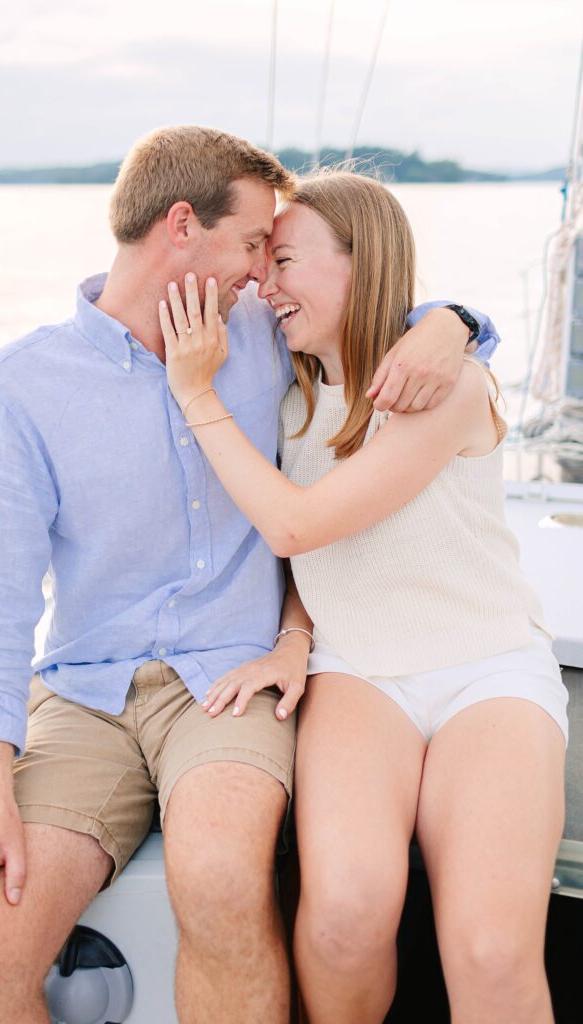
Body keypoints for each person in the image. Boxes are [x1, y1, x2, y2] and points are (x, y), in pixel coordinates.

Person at [0, 128, 496, 1024]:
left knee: (222, 880)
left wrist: (454, 322)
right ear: (183, 226)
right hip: (84, 698)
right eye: (251, 246)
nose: (260, 273)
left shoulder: (267, 335)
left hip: (226, 684)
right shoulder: (20, 388)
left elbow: (385, 318)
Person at [161, 170, 567, 1024]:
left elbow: (298, 527)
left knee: (491, 952)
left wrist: (193, 392)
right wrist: (293, 635)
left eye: (282, 262)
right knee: (343, 919)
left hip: (485, 667)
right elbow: (322, 560)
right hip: (356, 672)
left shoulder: (446, 387)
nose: (263, 287)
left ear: (361, 261)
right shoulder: (281, 389)